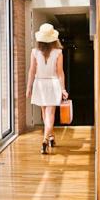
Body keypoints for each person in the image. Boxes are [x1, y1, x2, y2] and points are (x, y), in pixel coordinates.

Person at [26, 23, 68, 155]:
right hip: (53, 84)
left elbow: (32, 71)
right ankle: (48, 138)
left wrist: (29, 87)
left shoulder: (34, 52)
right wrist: (63, 89)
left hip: (39, 84)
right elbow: (60, 73)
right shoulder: (58, 52)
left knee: (45, 114)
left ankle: (48, 138)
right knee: (49, 115)